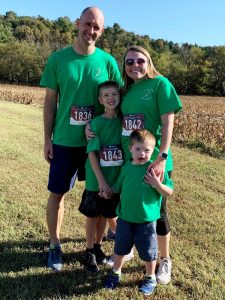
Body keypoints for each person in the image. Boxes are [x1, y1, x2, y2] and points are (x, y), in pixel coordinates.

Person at [40, 6, 121, 271]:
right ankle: (54, 245)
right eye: (87, 24)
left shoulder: (107, 62)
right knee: (57, 194)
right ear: (77, 23)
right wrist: (47, 138)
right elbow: (50, 101)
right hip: (65, 141)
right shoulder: (58, 59)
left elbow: (120, 100)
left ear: (102, 30)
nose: (91, 30)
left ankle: (95, 245)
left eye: (96, 27)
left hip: (98, 144)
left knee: (100, 196)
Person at [120, 45, 182, 284]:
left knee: (157, 212)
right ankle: (128, 247)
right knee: (131, 205)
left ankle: (164, 259)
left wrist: (162, 158)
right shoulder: (126, 91)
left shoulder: (161, 84)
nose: (135, 65)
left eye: (140, 61)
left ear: (149, 62)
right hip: (131, 162)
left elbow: (168, 123)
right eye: (129, 62)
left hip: (154, 160)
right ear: (124, 67)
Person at [104, 129, 173, 296]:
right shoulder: (126, 168)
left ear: (153, 151)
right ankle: (116, 273)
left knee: (149, 253)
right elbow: (118, 186)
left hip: (147, 222)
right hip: (125, 219)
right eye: (138, 149)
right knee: (120, 248)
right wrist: (107, 190)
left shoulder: (155, 170)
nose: (142, 153)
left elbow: (168, 192)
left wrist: (157, 184)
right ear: (130, 149)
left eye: (147, 150)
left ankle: (150, 277)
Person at [78, 80, 123, 272]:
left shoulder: (124, 124)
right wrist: (102, 182)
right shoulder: (95, 123)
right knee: (92, 215)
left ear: (120, 96)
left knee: (105, 215)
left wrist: (113, 183)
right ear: (100, 99)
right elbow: (92, 154)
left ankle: (97, 246)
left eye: (114, 94)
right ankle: (88, 251)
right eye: (106, 95)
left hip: (114, 181)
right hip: (97, 180)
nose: (111, 98)